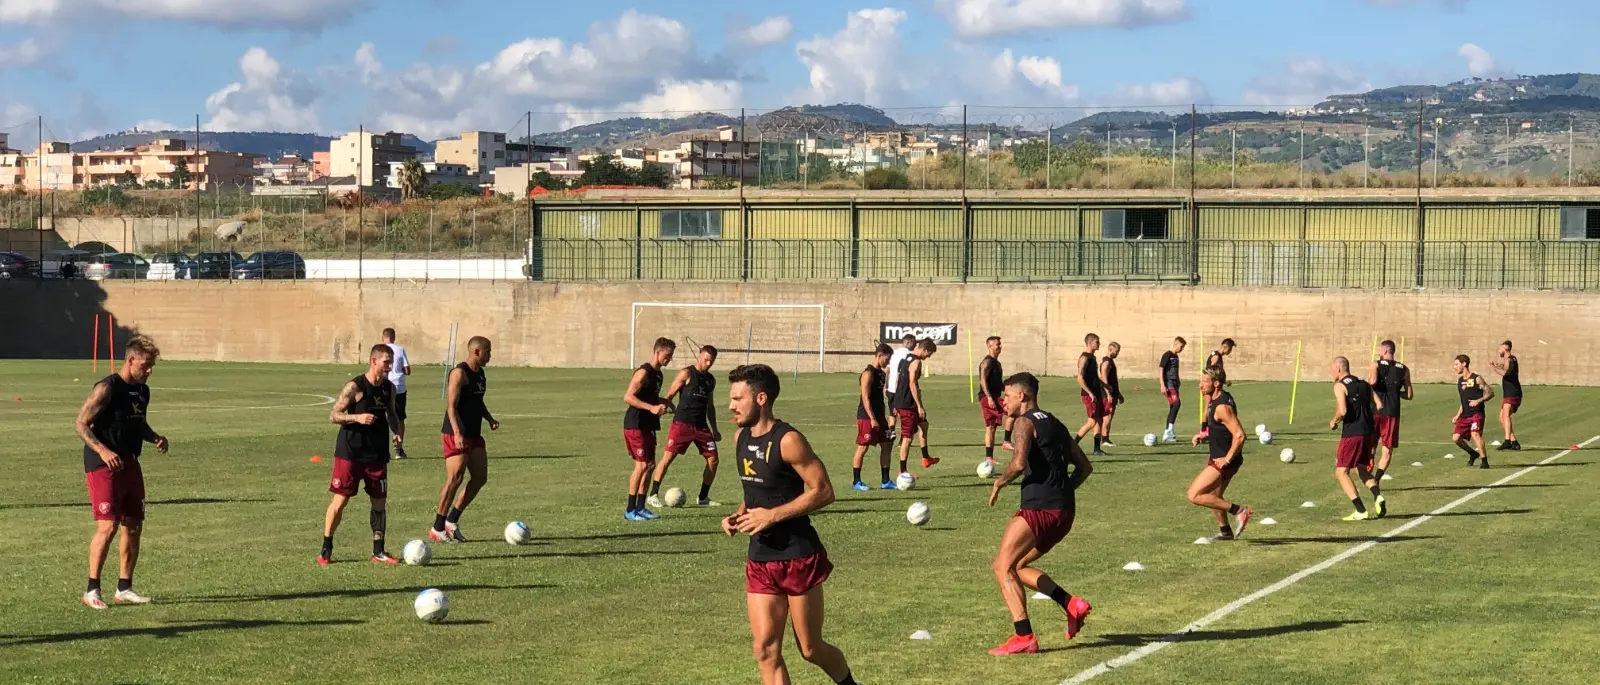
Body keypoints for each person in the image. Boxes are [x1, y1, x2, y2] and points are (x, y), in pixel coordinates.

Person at [721, 364, 863, 685]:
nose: (731, 405)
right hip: (760, 558)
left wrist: (770, 516)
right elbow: (757, 490)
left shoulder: (788, 440)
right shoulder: (739, 437)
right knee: (764, 650)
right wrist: (739, 513)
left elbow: (824, 491)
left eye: (737, 398)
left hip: (798, 556)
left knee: (810, 649)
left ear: (760, 398)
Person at [985, 372, 1094, 655]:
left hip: (1039, 508)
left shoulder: (1024, 422)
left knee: (1002, 566)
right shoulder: (1054, 422)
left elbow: (1019, 463)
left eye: (1007, 395)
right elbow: (1085, 467)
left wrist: (999, 481)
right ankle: (1072, 605)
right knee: (1018, 567)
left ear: (1022, 396)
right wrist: (1062, 492)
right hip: (1064, 512)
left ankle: (1024, 637)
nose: (1003, 401)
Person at [76, 336, 168, 609]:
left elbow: (138, 422)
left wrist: (154, 437)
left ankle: (124, 588)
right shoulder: (107, 388)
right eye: (146, 364)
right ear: (130, 360)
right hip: (102, 464)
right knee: (108, 525)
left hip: (130, 462)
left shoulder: (142, 390)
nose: (150, 370)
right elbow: (81, 424)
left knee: (133, 524)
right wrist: (103, 451)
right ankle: (92, 590)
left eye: (152, 365)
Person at [320, 344, 404, 565]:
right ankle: (326, 548)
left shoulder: (389, 388)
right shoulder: (355, 387)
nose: (389, 365)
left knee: (379, 503)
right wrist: (356, 418)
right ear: (373, 361)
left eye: (391, 361)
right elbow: (334, 415)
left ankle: (379, 551)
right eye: (386, 361)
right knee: (340, 501)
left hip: (377, 453)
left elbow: (392, 414)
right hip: (350, 452)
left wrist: (397, 433)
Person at [429, 336, 498, 542]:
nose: (490, 356)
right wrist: (457, 433)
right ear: (476, 351)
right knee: (454, 479)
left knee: (480, 477)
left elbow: (478, 401)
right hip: (455, 432)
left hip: (474, 432)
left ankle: (451, 520)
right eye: (488, 352)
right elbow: (451, 406)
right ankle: (437, 527)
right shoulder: (459, 373)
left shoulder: (481, 374)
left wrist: (489, 418)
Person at [648, 345, 722, 508]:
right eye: (706, 359)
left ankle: (703, 498)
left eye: (711, 361)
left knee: (713, 460)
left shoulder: (711, 380)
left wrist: (715, 429)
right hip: (682, 424)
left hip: (701, 426)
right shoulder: (686, 373)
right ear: (699, 356)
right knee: (668, 458)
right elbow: (669, 395)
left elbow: (710, 406)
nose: (708, 363)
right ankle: (653, 494)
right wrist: (664, 407)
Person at [1187, 369, 1253, 540]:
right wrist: (1205, 435)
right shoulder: (1216, 400)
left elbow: (1239, 435)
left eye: (1204, 381)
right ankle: (1226, 532)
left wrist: (1227, 459)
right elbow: (1224, 429)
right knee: (1213, 496)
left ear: (1216, 383)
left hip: (1224, 460)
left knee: (1194, 495)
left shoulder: (1222, 407)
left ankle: (1240, 511)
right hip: (1220, 456)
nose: (1200, 385)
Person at [623, 338, 675, 521]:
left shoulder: (658, 374)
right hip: (635, 424)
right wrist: (651, 408)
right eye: (667, 356)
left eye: (671, 357)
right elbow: (628, 397)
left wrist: (664, 402)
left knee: (650, 465)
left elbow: (651, 397)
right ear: (657, 352)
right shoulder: (643, 372)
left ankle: (641, 507)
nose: (669, 360)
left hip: (649, 424)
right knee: (642, 465)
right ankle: (630, 509)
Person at [1330, 357, 1384, 521]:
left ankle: (1360, 510)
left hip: (1352, 433)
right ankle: (1377, 496)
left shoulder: (1340, 386)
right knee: (1361, 468)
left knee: (1341, 472)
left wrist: (1334, 421)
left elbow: (1343, 411)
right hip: (1368, 432)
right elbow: (1379, 405)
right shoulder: (1364, 384)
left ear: (1339, 369)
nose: (1331, 372)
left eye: (1331, 369)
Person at [890, 338, 940, 474]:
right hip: (907, 404)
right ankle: (903, 471)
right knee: (907, 437)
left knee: (924, 424)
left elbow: (897, 379)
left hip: (902, 401)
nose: (928, 357)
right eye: (929, 354)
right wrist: (919, 406)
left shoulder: (905, 358)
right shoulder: (916, 362)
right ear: (925, 349)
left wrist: (894, 400)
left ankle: (926, 458)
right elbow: (912, 383)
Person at [850, 344, 895, 491]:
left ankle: (886, 481)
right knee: (863, 447)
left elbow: (881, 393)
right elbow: (865, 397)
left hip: (880, 416)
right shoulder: (868, 373)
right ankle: (856, 482)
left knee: (888, 444)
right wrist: (872, 418)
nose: (888, 362)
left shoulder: (881, 373)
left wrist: (891, 405)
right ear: (879, 355)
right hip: (867, 416)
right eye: (887, 359)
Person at [1367, 340, 1412, 482]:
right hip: (1392, 412)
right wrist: (1395, 393)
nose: (1378, 352)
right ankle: (1377, 479)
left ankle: (1369, 464)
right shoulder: (1404, 369)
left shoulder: (1376, 364)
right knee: (1387, 449)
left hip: (1375, 410)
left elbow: (1372, 382)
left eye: (1380, 349)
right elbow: (1409, 395)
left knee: (1371, 444)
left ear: (1385, 350)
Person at [1452, 354, 1493, 470]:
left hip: (1477, 414)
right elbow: (1463, 401)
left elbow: (1490, 393)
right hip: (1464, 415)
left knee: (1475, 434)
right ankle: (1472, 453)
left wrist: (1478, 401)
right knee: (1456, 438)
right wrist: (1457, 414)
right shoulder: (1460, 381)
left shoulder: (1477, 378)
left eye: (1456, 364)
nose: (1454, 367)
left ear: (1464, 364)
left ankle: (1484, 461)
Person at [978, 336, 1011, 464]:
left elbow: (997, 383)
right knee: (991, 427)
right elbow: (983, 380)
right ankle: (1003, 444)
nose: (1000, 346)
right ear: (990, 346)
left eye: (1000, 344)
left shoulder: (997, 363)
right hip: (988, 398)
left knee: (1014, 414)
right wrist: (989, 397)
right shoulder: (987, 362)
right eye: (997, 344)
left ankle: (992, 455)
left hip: (996, 396)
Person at [381, 327, 411, 458]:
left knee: (382, 417)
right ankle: (398, 449)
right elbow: (407, 370)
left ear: (383, 337)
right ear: (394, 337)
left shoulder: (379, 350)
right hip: (399, 387)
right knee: (399, 418)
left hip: (384, 386)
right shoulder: (400, 350)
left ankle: (382, 449)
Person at [1075, 334, 1107, 455]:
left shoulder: (1092, 358)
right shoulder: (1084, 358)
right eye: (1097, 342)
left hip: (1096, 393)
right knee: (1092, 422)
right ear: (1090, 343)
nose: (1099, 344)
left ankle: (1097, 449)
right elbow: (1080, 378)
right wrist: (1090, 393)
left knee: (1099, 421)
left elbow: (1093, 377)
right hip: (1089, 395)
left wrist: (1104, 386)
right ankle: (1073, 445)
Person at [1488, 340, 1522, 451]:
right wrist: (1497, 365)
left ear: (1505, 349)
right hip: (1509, 392)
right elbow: (1505, 368)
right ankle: (1514, 442)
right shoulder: (1511, 359)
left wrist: (1492, 368)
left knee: (1506, 415)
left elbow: (1505, 372)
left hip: (1512, 392)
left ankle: (1507, 441)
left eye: (1500, 348)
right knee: (1501, 418)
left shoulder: (1509, 360)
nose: (1499, 350)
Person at [884, 335, 916, 440]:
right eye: (914, 343)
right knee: (904, 413)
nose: (915, 345)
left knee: (892, 411)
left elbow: (887, 371)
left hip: (891, 388)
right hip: (901, 389)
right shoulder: (910, 355)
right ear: (908, 342)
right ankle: (903, 438)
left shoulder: (893, 353)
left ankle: (891, 431)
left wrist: (886, 386)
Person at [1159, 337, 1186, 443]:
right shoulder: (1167, 355)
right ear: (1176, 344)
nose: (1182, 349)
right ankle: (1168, 431)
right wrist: (1162, 384)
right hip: (1168, 384)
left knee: (1173, 406)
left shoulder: (1175, 356)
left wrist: (1178, 380)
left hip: (1174, 384)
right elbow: (1161, 369)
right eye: (1181, 346)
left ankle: (1169, 432)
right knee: (1176, 404)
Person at [1099, 342, 1124, 448]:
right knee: (1107, 417)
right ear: (1110, 350)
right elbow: (1103, 377)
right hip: (1107, 394)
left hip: (1113, 393)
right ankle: (1104, 439)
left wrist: (1119, 394)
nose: (1117, 354)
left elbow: (1113, 380)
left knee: (1110, 416)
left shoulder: (1110, 361)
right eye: (1116, 351)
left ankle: (1106, 438)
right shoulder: (1106, 362)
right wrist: (1108, 393)